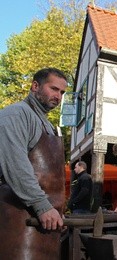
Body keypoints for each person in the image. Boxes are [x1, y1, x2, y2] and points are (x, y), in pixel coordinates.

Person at [0, 68, 68, 258]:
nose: (58, 96)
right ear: (35, 86)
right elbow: (15, 164)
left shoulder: (45, 123)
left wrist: (56, 210)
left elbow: (49, 178)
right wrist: (42, 205)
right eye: (54, 89)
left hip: (41, 218)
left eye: (62, 92)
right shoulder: (17, 115)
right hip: (16, 218)